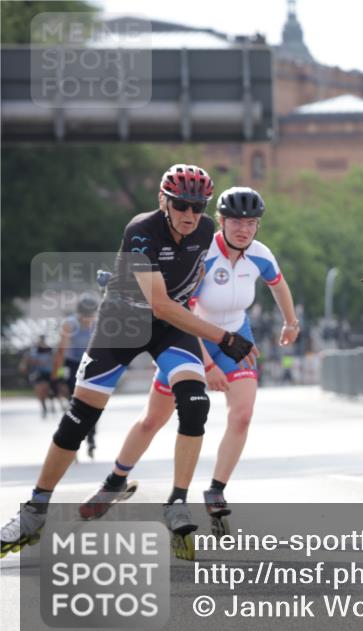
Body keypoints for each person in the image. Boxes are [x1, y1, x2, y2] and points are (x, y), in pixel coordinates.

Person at [0, 164, 257, 560]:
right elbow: (159, 303)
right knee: (79, 419)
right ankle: (35, 510)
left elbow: (219, 261)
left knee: (195, 403)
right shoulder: (141, 231)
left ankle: (176, 502)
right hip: (124, 322)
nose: (190, 215)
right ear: (163, 201)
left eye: (198, 207)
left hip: (169, 327)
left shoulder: (207, 231)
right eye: (181, 205)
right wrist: (223, 337)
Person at [80, 187, 298, 537]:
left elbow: (279, 285)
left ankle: (215, 490)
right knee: (154, 419)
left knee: (242, 414)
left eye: (252, 223)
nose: (244, 230)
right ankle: (115, 479)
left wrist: (290, 322)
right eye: (236, 222)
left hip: (237, 337)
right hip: (191, 336)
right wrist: (207, 364)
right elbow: (181, 311)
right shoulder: (202, 252)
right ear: (222, 222)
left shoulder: (260, 254)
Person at [52, 294, 100, 457]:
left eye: (90, 315)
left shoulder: (99, 323)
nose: (87, 319)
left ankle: (91, 438)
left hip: (92, 364)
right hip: (73, 366)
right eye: (84, 316)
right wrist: (57, 376)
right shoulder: (70, 324)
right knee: (76, 405)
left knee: (94, 404)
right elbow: (61, 352)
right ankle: (72, 440)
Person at [20, 336, 56, 418]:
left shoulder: (49, 350)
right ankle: (43, 407)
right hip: (37, 373)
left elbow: (54, 359)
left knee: (47, 390)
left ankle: (51, 403)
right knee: (39, 390)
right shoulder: (33, 351)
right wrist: (24, 366)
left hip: (48, 372)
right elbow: (26, 360)